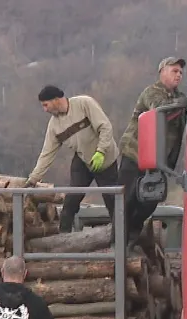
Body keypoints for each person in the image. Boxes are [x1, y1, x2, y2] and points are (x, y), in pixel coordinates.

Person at [24, 85, 121, 233]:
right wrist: (33, 180)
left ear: (56, 100)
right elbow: (47, 153)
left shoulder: (84, 104)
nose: (45, 109)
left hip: (105, 159)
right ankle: (64, 239)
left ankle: (120, 239)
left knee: (112, 202)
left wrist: (101, 151)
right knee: (71, 201)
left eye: (46, 105)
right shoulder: (54, 125)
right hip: (82, 160)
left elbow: (105, 127)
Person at [118, 57, 187, 240]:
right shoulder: (151, 92)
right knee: (127, 200)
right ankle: (117, 243)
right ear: (162, 72)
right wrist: (183, 104)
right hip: (135, 153)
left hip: (157, 160)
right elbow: (159, 109)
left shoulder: (179, 98)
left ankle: (132, 235)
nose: (179, 75)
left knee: (151, 200)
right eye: (174, 71)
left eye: (181, 72)